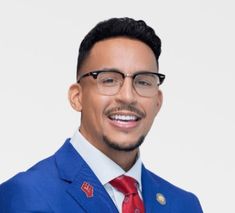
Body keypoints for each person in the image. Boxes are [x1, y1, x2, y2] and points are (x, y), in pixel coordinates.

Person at [0, 17, 203, 213]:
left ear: (157, 102)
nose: (127, 96)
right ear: (77, 97)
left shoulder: (184, 205)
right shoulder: (26, 197)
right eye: (109, 80)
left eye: (143, 82)